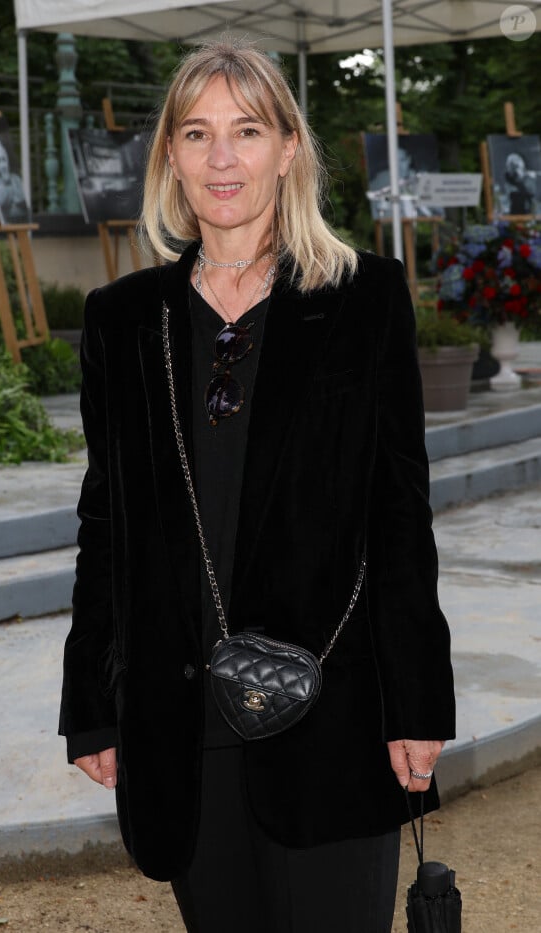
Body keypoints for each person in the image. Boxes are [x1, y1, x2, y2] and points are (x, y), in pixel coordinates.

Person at [59, 39, 455, 933]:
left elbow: (400, 514)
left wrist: (419, 699)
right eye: (196, 134)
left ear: (289, 147)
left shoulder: (363, 298)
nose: (222, 158)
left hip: (335, 716)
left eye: (246, 130)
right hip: (181, 728)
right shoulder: (124, 321)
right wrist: (93, 703)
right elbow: (105, 521)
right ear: (170, 156)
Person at [0, 135, 28, 223]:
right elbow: (1, 200)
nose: (3, 166)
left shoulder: (17, 180)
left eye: (4, 159)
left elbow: (22, 199)